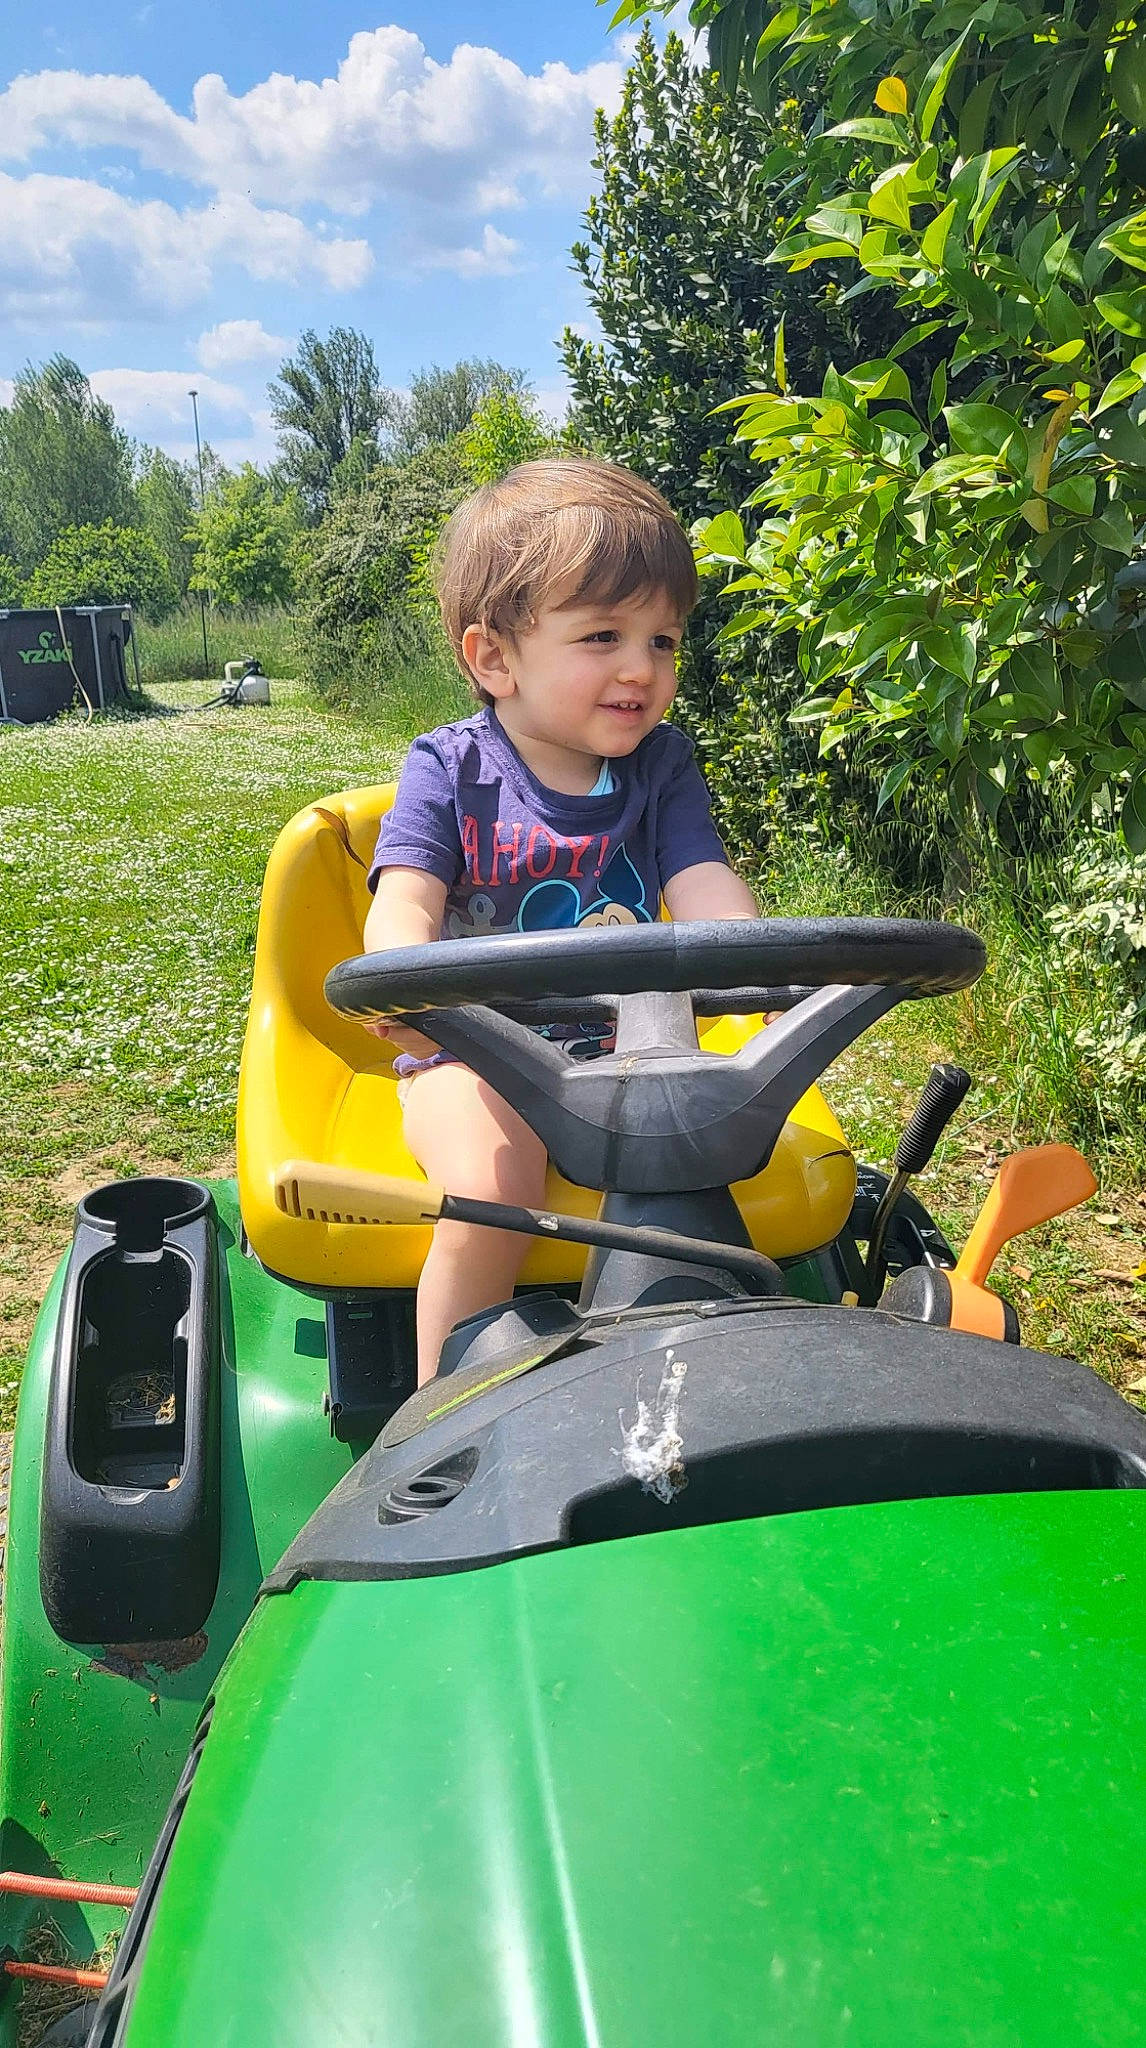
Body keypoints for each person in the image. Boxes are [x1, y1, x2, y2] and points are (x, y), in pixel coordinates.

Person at [363, 457, 759, 1382]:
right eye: (604, 636)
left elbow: (706, 883)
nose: (642, 668)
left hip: (637, 1049)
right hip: (479, 1055)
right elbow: (404, 903)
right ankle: (444, 1416)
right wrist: (403, 979)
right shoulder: (449, 771)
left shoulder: (662, 768)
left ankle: (704, 1375)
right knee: (493, 1185)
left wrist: (762, 966)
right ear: (494, 656)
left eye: (663, 640)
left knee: (722, 1160)